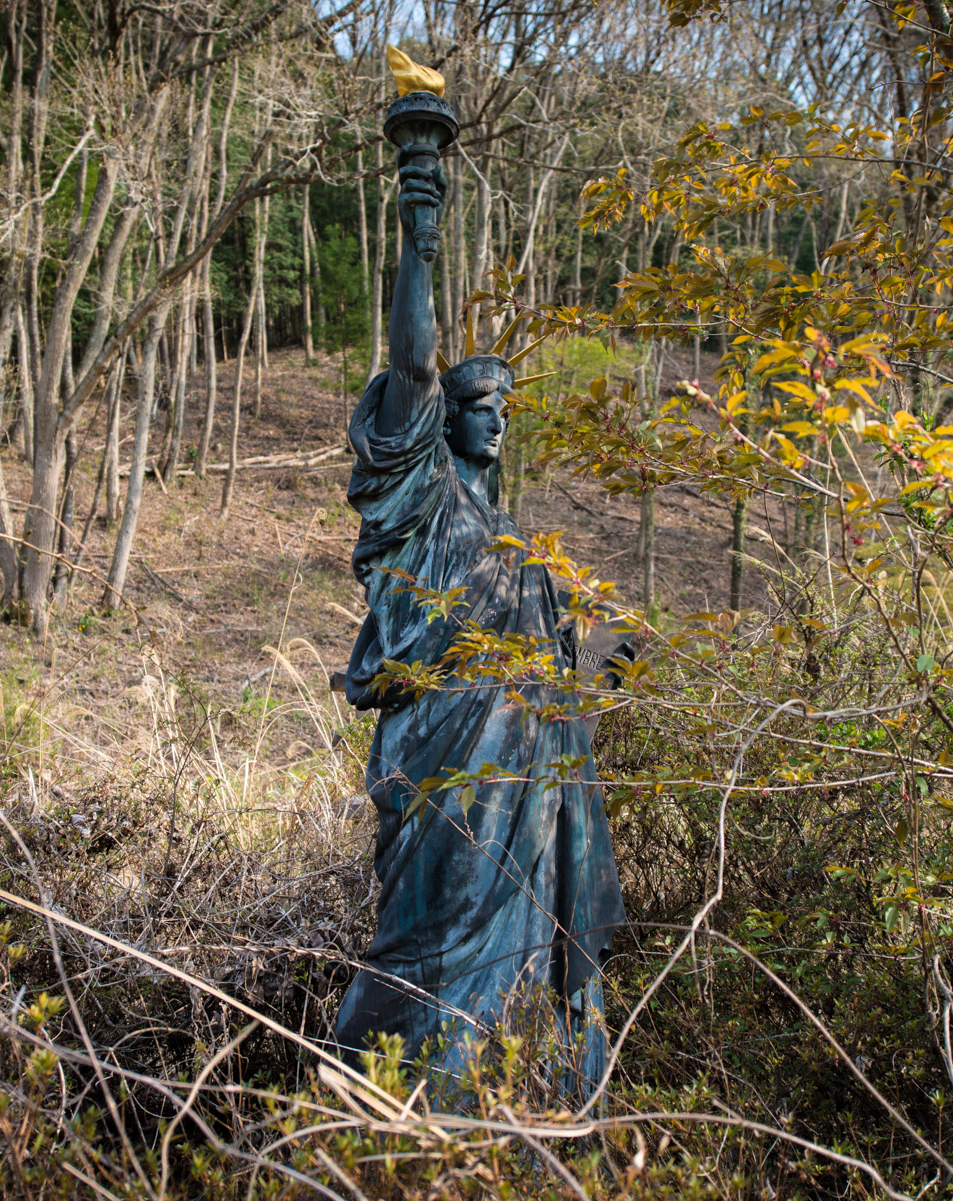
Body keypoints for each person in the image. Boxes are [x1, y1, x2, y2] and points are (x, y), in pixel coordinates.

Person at [332, 150, 625, 1087]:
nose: (495, 419)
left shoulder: (520, 550)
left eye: (504, 407)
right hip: (447, 771)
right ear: (439, 419)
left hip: (527, 785)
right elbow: (413, 360)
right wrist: (421, 243)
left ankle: (510, 1114)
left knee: (523, 958)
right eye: (477, 404)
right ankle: (392, 1107)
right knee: (433, 940)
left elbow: (550, 678)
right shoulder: (422, 498)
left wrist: (594, 671)